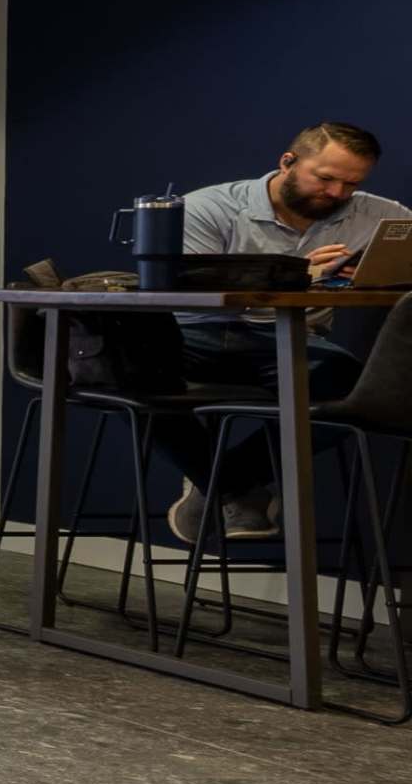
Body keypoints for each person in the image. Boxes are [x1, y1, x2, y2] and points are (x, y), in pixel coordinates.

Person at [156, 122, 403, 542]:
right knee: (125, 368)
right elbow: (190, 293)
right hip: (196, 334)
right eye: (325, 178)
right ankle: (232, 488)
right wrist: (298, 276)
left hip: (290, 340)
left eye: (351, 184)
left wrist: (381, 272)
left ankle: (216, 482)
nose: (337, 193)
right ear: (288, 162)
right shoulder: (206, 207)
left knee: (362, 392)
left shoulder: (377, 215)